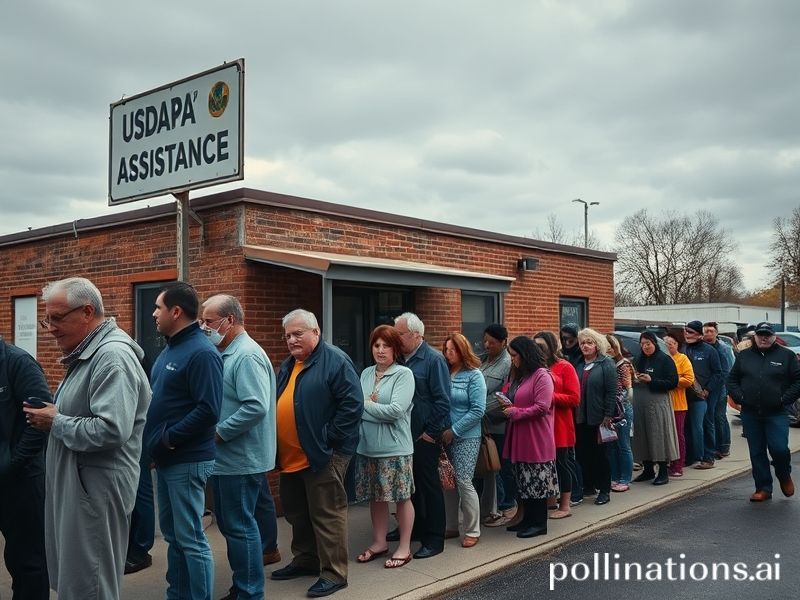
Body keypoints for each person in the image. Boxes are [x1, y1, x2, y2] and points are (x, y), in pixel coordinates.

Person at [26, 277, 150, 599]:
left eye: (57, 318)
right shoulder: (90, 353)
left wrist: (56, 422)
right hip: (83, 487)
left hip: (94, 491)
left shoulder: (112, 357)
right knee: (78, 582)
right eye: (46, 319)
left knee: (90, 586)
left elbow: (112, 429)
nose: (50, 327)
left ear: (87, 312)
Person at [270, 309, 362, 598]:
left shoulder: (334, 360)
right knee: (297, 511)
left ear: (316, 332)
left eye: (298, 333)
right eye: (287, 335)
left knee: (327, 514)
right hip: (292, 457)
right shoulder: (289, 364)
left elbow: (352, 406)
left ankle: (334, 573)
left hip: (323, 454)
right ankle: (306, 560)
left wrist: (328, 440)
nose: (292, 339)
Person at [145, 282, 223, 600]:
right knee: (175, 538)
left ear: (176, 312)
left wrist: (168, 439)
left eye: (158, 307)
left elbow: (209, 410)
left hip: (187, 459)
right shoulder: (171, 348)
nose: (153, 314)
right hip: (166, 459)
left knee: (191, 538)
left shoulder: (202, 353)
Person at [201, 294, 277, 600]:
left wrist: (218, 433)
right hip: (231, 459)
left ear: (229, 320)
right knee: (235, 526)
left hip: (239, 458)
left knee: (239, 528)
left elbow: (255, 406)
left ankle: (248, 592)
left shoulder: (245, 355)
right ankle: (243, 588)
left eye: (208, 321)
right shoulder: (229, 351)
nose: (204, 327)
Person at [388, 312, 451, 560]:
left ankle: (434, 539)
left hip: (425, 437)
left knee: (429, 486)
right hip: (405, 436)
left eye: (399, 334)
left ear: (416, 335)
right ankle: (413, 530)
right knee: (409, 488)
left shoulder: (433, 360)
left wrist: (430, 433)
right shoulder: (401, 360)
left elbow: (442, 401)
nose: (396, 338)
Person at [354, 325, 416, 569]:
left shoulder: (404, 374)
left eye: (386, 345)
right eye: (376, 345)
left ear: (395, 348)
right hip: (367, 447)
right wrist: (368, 406)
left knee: (401, 497)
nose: (380, 350)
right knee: (376, 498)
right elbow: (356, 408)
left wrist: (365, 405)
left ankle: (404, 547)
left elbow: (395, 411)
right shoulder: (366, 373)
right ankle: (379, 542)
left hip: (395, 448)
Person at [727, 322, 800, 502]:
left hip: (776, 413)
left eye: (767, 334)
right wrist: (741, 398)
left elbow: (798, 381)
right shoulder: (744, 356)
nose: (764, 337)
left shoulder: (787, 356)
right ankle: (763, 488)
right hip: (751, 413)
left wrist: (783, 399)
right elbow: (732, 380)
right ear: (755, 336)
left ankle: (784, 474)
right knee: (757, 452)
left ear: (774, 336)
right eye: (760, 334)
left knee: (779, 448)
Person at [0, 338, 50, 599]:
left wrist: (14, 462)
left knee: (28, 563)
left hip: (22, 482)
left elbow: (39, 422)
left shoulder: (18, 363)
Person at [502, 336, 558, 538]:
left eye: (515, 356)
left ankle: (539, 523)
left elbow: (542, 407)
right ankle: (528, 519)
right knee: (524, 480)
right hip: (521, 435)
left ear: (525, 355)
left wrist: (516, 412)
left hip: (536, 437)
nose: (512, 360)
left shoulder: (542, 375)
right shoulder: (523, 376)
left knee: (536, 482)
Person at [441, 333, 487, 548]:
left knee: (463, 480)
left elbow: (478, 409)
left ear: (462, 351)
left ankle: (472, 529)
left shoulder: (474, 375)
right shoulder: (444, 372)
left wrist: (455, 430)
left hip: (467, 435)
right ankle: (450, 525)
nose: (448, 354)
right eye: (446, 350)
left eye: (453, 350)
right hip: (443, 436)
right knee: (447, 481)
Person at [533, 331, 580, 517]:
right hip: (541, 424)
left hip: (560, 424)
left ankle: (565, 505)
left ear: (551, 346)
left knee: (562, 463)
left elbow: (574, 398)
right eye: (535, 345)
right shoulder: (535, 367)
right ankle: (550, 500)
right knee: (544, 464)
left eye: (542, 346)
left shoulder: (565, 367)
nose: (538, 349)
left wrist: (549, 397)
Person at [573, 328, 617, 506]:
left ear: (597, 345)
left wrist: (608, 414)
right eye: (583, 343)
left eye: (589, 343)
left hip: (599, 417)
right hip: (580, 417)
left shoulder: (606, 364)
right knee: (583, 453)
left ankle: (604, 489)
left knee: (600, 455)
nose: (585, 346)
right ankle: (588, 485)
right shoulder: (579, 364)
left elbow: (611, 392)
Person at [631, 332, 679, 486]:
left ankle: (663, 471)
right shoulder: (638, 358)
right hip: (640, 401)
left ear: (654, 343)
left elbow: (673, 382)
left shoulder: (665, 359)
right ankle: (648, 469)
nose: (645, 346)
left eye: (648, 343)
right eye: (642, 343)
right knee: (643, 435)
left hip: (658, 401)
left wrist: (652, 380)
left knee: (658, 436)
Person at [478, 324, 515, 527]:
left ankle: (507, 504)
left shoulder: (508, 364)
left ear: (503, 342)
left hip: (498, 422)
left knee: (501, 464)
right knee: (487, 465)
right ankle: (492, 506)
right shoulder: (482, 361)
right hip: (482, 424)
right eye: (485, 340)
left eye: (492, 342)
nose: (487, 345)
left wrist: (477, 409)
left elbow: (503, 396)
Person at [682, 320, 723, 470]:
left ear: (699, 334)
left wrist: (707, 390)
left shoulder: (709, 351)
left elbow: (718, 373)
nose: (687, 334)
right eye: (686, 331)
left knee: (706, 424)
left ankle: (708, 456)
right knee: (687, 426)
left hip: (705, 395)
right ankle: (690, 456)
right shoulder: (683, 348)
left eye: (691, 332)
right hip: (686, 394)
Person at [604, 334, 635, 492]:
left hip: (622, 410)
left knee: (623, 445)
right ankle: (615, 477)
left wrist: (617, 404)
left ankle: (625, 478)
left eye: (610, 346)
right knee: (611, 445)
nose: (608, 350)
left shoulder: (623, 364)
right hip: (609, 410)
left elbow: (628, 390)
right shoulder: (604, 363)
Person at [663, 333, 695, 477]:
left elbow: (689, 379)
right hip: (662, 402)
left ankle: (678, 465)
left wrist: (672, 380)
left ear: (677, 345)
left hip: (678, 403)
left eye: (672, 343)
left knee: (677, 435)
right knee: (665, 435)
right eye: (666, 343)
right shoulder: (662, 359)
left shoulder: (683, 359)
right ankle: (667, 463)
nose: (669, 346)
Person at [703, 322, 735, 459]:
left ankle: (724, 447)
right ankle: (714, 446)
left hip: (720, 387)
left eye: (711, 331)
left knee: (719, 416)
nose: (708, 334)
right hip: (707, 387)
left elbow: (726, 372)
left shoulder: (723, 348)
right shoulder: (703, 347)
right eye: (706, 331)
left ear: (716, 332)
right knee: (711, 418)